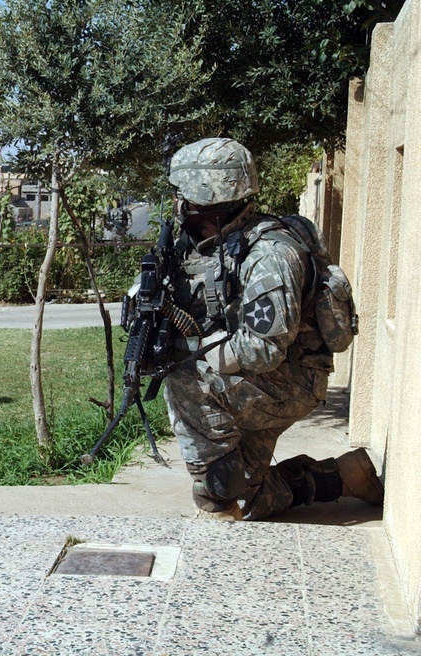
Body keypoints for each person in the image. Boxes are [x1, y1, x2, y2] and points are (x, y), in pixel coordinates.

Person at [162, 137, 383, 520]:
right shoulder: (222, 241)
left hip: (290, 380)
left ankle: (216, 507)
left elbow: (262, 350)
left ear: (210, 200)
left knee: (185, 378)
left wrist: (192, 348)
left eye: (185, 199)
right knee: (247, 492)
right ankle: (343, 477)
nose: (179, 208)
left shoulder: (269, 255)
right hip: (276, 376)